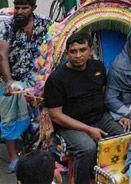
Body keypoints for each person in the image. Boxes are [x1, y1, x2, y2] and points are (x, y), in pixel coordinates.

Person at [44, 32, 124, 184]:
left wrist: (122, 115)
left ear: (91, 50)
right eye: (73, 51)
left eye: (82, 50)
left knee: (122, 136)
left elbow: (106, 95)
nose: (78, 55)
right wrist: (88, 129)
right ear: (67, 53)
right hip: (70, 125)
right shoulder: (57, 79)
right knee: (88, 148)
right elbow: (56, 115)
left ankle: (111, 177)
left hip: (100, 118)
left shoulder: (98, 67)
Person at [0, 0, 51, 171]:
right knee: (9, 118)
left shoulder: (45, 23)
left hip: (35, 76)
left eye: (24, 8)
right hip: (9, 77)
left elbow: (54, 44)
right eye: (17, 8)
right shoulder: (6, 25)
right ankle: (13, 157)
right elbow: (2, 55)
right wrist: (8, 80)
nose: (19, 12)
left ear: (34, 8)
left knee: (42, 115)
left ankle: (40, 153)